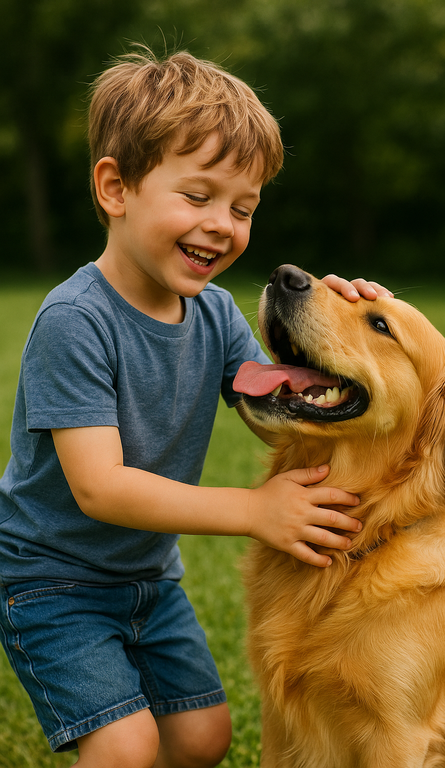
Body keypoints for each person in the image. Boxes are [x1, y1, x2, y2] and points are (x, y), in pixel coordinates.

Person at [0, 49, 392, 768]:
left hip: (147, 580)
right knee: (124, 747)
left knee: (201, 737)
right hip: (52, 581)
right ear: (116, 188)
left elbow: (275, 394)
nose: (223, 225)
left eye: (242, 209)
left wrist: (344, 321)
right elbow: (99, 486)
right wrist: (252, 510)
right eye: (199, 196)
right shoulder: (75, 321)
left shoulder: (209, 313)